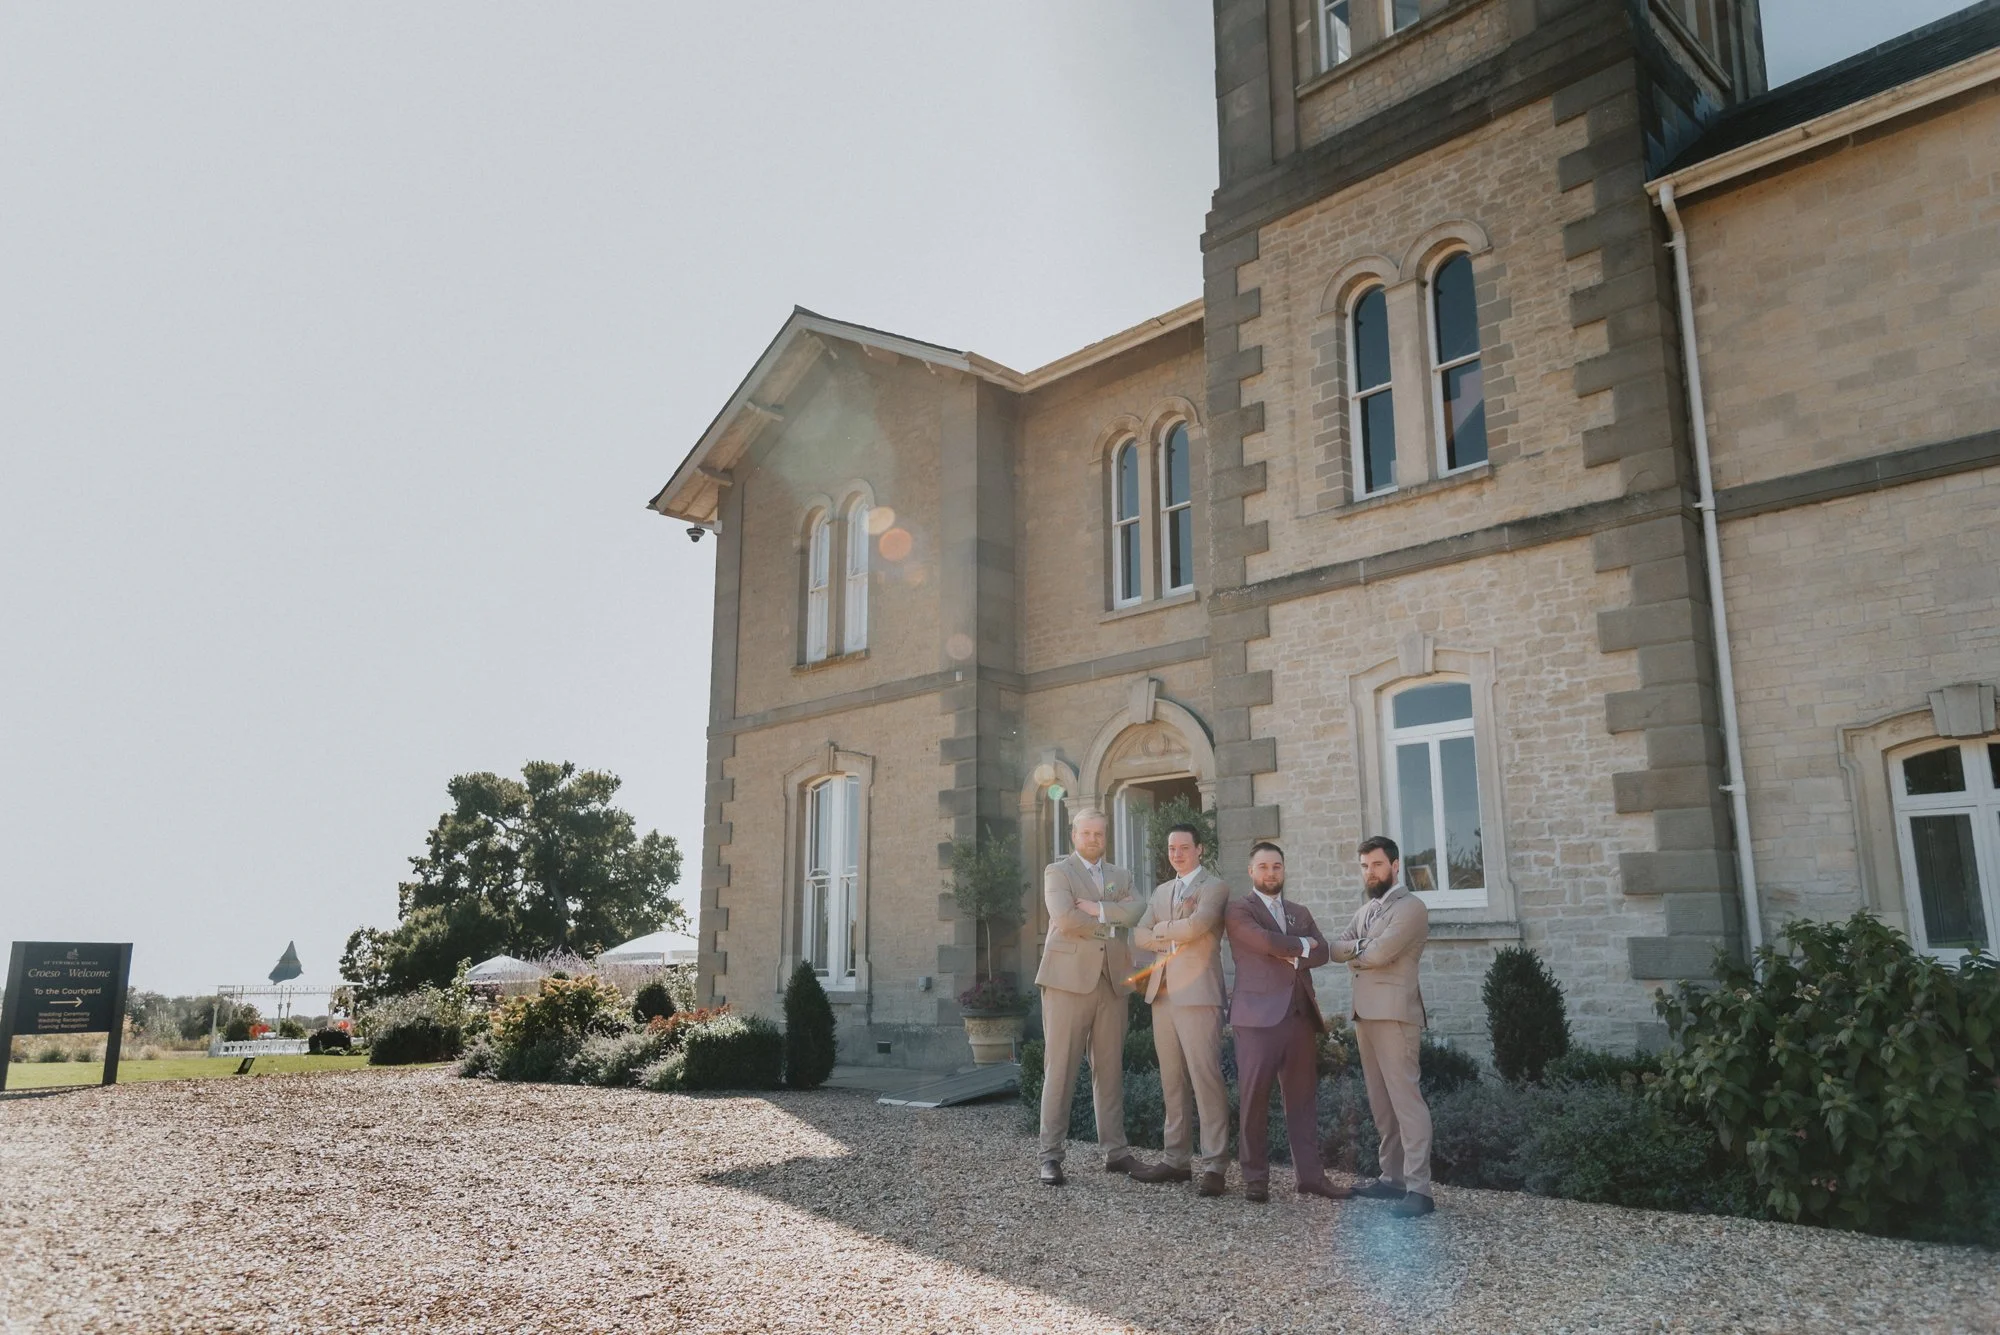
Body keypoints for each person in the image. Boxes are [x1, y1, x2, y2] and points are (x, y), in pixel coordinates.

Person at [1222, 841, 1349, 1204]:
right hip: (1257, 1021)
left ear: (1284, 870)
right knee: (1254, 1100)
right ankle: (1255, 1179)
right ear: (1251, 872)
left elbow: (1323, 951)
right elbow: (1262, 942)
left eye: (1276, 866)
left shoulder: (1299, 910)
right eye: (1263, 867)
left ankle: (1310, 1177)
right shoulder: (1238, 910)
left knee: (1303, 1101)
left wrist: (1293, 949)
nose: (1270, 873)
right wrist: (1301, 947)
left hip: (1299, 1018)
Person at [1033, 805, 1144, 1186]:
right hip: (1067, 982)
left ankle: (1116, 1153)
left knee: (1110, 1071)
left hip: (1112, 982)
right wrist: (1110, 920)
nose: (1093, 840)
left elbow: (1138, 911)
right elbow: (1065, 919)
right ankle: (1050, 1156)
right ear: (1074, 836)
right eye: (1086, 834)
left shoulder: (1120, 875)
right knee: (1060, 1069)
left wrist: (1098, 909)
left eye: (1099, 834)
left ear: (1105, 836)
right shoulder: (1058, 872)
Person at [1332, 835, 1435, 1218]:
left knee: (1406, 1102)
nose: (1370, 872)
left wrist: (1359, 949)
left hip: (1395, 1015)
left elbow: (1378, 954)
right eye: (1364, 866)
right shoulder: (1367, 911)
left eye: (1376, 864)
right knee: (1381, 1104)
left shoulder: (1412, 908)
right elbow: (1334, 948)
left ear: (1394, 865)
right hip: (1365, 1016)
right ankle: (1391, 1179)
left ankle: (1420, 1189)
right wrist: (1362, 948)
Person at [1127, 823, 1231, 1196]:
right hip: (1163, 995)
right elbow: (1137, 934)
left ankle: (1216, 1164)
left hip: (1200, 995)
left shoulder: (1214, 887)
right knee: (1172, 1080)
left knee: (1205, 1079)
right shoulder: (1162, 890)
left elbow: (1197, 927)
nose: (1177, 854)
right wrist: (1172, 928)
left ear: (1199, 849)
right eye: (1171, 848)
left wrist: (1162, 929)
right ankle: (1176, 1160)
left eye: (1184, 847)